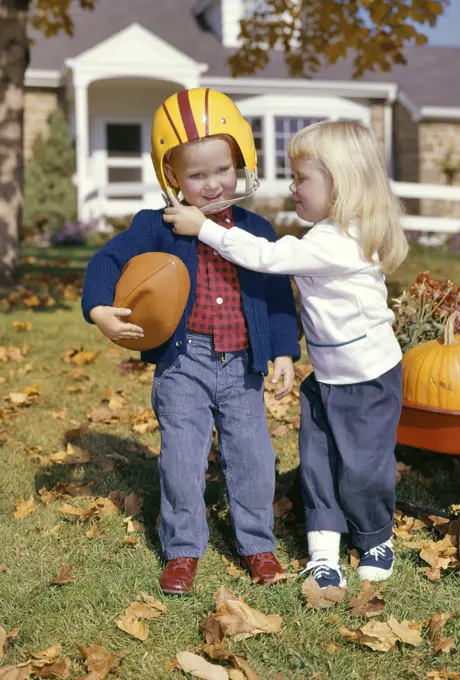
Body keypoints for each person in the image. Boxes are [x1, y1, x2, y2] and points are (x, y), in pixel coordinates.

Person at [163, 120, 409, 587]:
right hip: (326, 378)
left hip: (367, 381)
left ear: (342, 184)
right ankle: (323, 551)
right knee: (316, 463)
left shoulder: (340, 242)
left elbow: (270, 259)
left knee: (362, 467)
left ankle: (374, 535)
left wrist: (206, 230)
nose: (292, 187)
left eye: (302, 179)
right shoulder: (325, 234)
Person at [81, 88, 300, 595]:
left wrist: (284, 349)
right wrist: (99, 310)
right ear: (172, 177)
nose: (211, 183)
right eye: (196, 175)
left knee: (252, 456)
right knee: (182, 457)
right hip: (186, 361)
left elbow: (276, 293)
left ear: (240, 161)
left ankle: (256, 542)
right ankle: (183, 548)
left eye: (222, 169)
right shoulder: (157, 226)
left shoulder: (256, 229)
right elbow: (105, 262)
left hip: (243, 365)